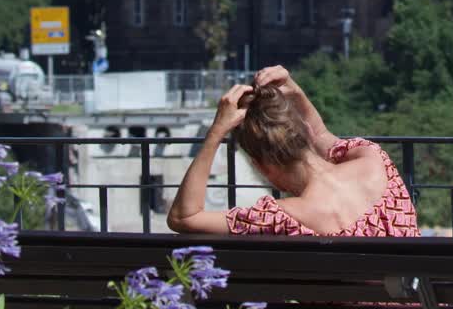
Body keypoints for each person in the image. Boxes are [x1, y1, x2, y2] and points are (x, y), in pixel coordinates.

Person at [166, 65, 418, 236]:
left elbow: (183, 217)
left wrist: (215, 132)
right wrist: (294, 90)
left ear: (261, 167)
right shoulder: (374, 160)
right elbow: (322, 136)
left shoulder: (281, 217)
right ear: (305, 132)